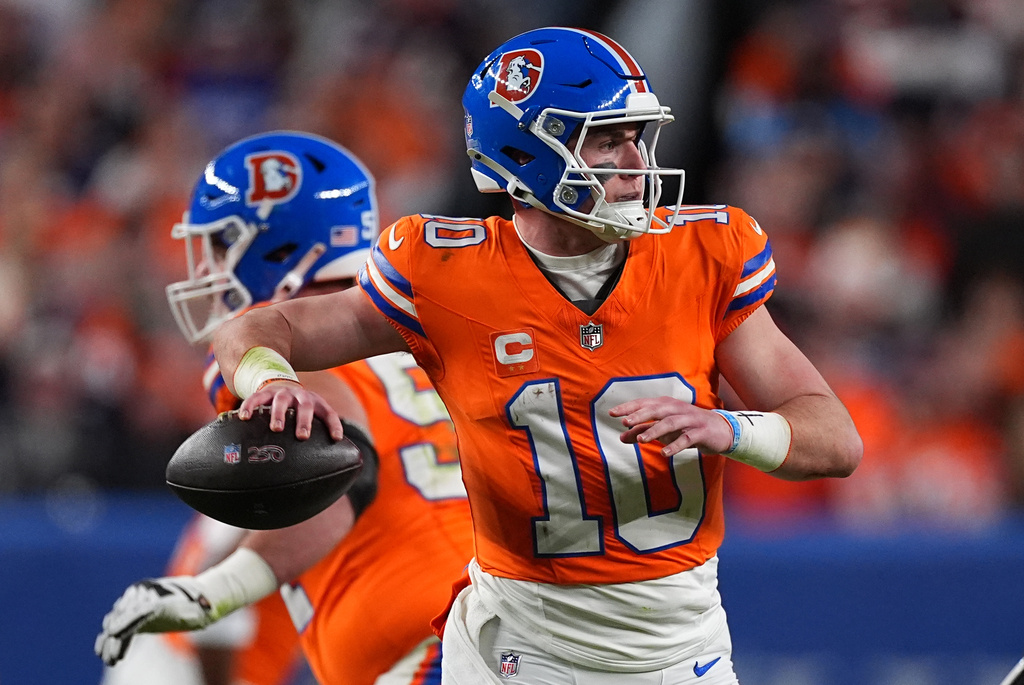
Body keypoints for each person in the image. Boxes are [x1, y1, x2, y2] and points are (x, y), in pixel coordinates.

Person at [209, 28, 863, 685]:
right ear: (527, 154)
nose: (635, 161)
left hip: (679, 644)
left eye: (637, 136)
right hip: (516, 646)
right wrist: (270, 381)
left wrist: (732, 429)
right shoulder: (445, 272)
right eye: (607, 138)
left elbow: (836, 439)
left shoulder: (705, 258)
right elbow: (260, 326)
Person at [95, 131, 474, 685]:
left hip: (422, 647)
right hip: (504, 617)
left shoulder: (283, 348)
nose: (208, 269)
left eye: (223, 245)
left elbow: (346, 464)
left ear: (277, 248)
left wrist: (212, 594)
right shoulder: (434, 328)